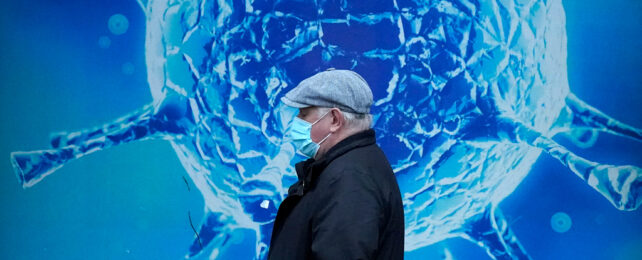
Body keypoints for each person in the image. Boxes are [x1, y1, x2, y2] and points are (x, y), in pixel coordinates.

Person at [268, 68, 404, 259]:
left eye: (304, 114)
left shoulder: (351, 181)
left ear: (334, 119)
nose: (295, 122)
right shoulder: (351, 167)